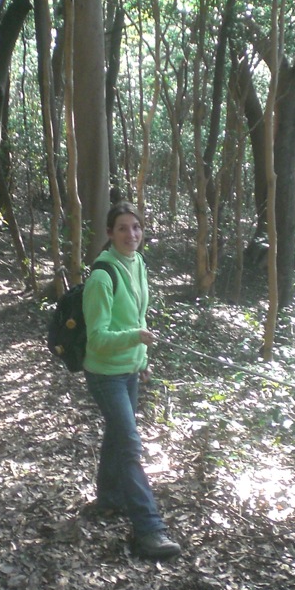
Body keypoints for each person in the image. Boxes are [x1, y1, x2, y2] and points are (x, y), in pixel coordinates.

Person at [82, 201, 181, 560]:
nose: (131, 234)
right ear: (109, 233)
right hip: (104, 373)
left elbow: (138, 316)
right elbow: (97, 338)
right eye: (122, 228)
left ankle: (109, 499)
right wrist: (135, 338)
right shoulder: (101, 277)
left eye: (136, 227)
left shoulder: (137, 262)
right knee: (129, 446)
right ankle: (149, 530)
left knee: (118, 436)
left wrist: (142, 360)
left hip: (129, 369)